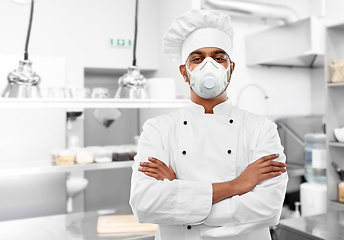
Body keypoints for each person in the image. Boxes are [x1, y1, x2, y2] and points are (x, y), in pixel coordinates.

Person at [129, 9, 288, 240]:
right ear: (184, 72)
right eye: (197, 58)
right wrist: (236, 185)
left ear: (230, 68)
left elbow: (268, 209)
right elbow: (144, 204)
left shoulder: (262, 129)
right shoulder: (158, 129)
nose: (209, 65)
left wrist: (179, 194)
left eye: (219, 57)